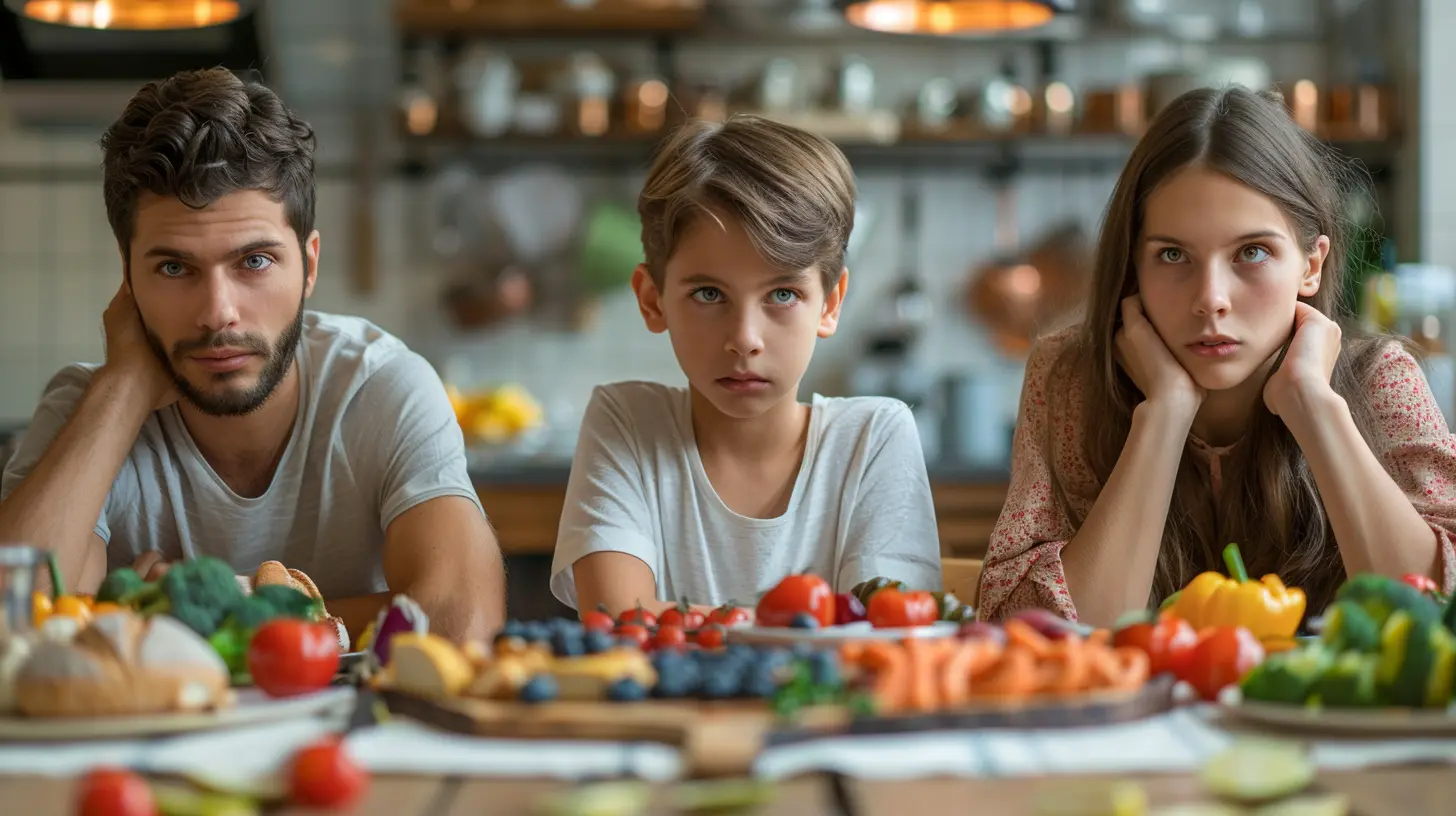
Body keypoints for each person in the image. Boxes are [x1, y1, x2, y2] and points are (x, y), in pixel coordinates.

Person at [0, 68, 505, 644]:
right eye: (173, 268)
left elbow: (462, 621)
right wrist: (121, 391)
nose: (218, 312)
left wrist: (212, 615)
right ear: (127, 281)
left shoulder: (379, 386)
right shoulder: (86, 408)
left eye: (255, 262)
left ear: (309, 266)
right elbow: (10, 623)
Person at [980, 85, 1456, 628]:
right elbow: (1036, 636)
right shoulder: (1069, 376)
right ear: (1134, 267)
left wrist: (1315, 408)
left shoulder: (1379, 378)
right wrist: (1162, 416)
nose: (1211, 299)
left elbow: (1439, 621)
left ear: (1310, 264)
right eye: (1173, 254)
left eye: (1252, 252)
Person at [549, 115, 942, 617]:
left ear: (830, 303)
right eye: (709, 294)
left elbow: (887, 642)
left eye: (782, 294)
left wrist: (682, 620)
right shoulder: (627, 423)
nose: (744, 339)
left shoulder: (873, 438)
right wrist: (805, 629)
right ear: (653, 301)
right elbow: (620, 622)